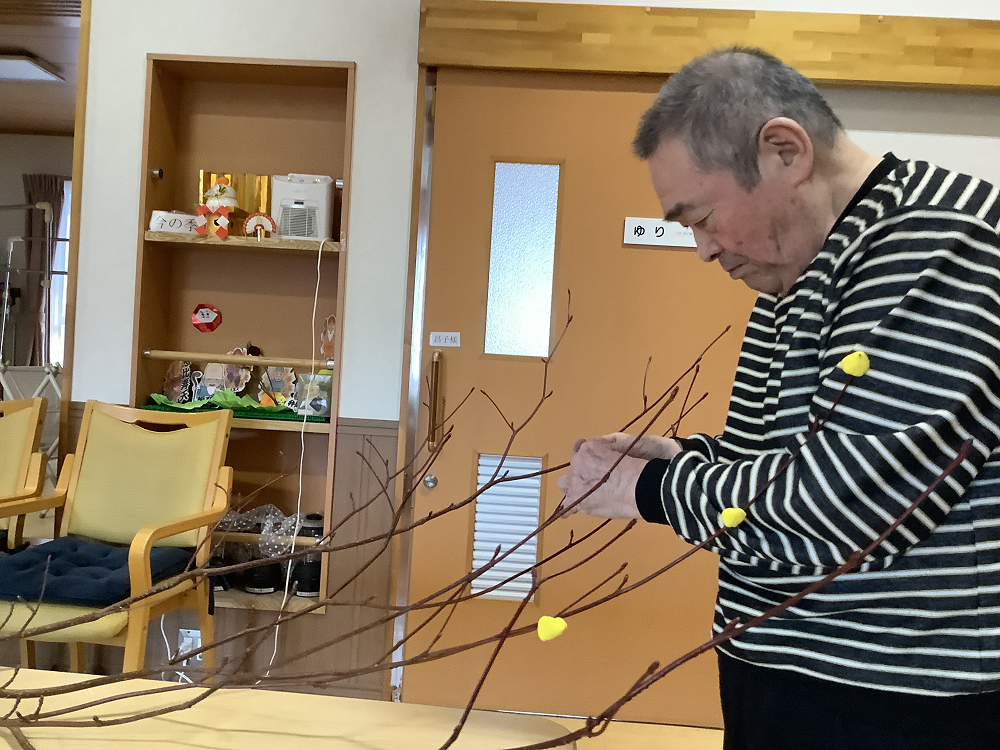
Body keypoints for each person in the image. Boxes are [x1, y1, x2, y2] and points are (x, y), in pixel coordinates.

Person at [557, 47, 1000, 750]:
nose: (703, 250)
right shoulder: (798, 266)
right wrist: (687, 457)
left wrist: (654, 489)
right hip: (779, 670)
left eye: (701, 216)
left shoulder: (940, 241)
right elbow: (788, 458)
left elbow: (854, 503)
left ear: (784, 151)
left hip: (891, 700)